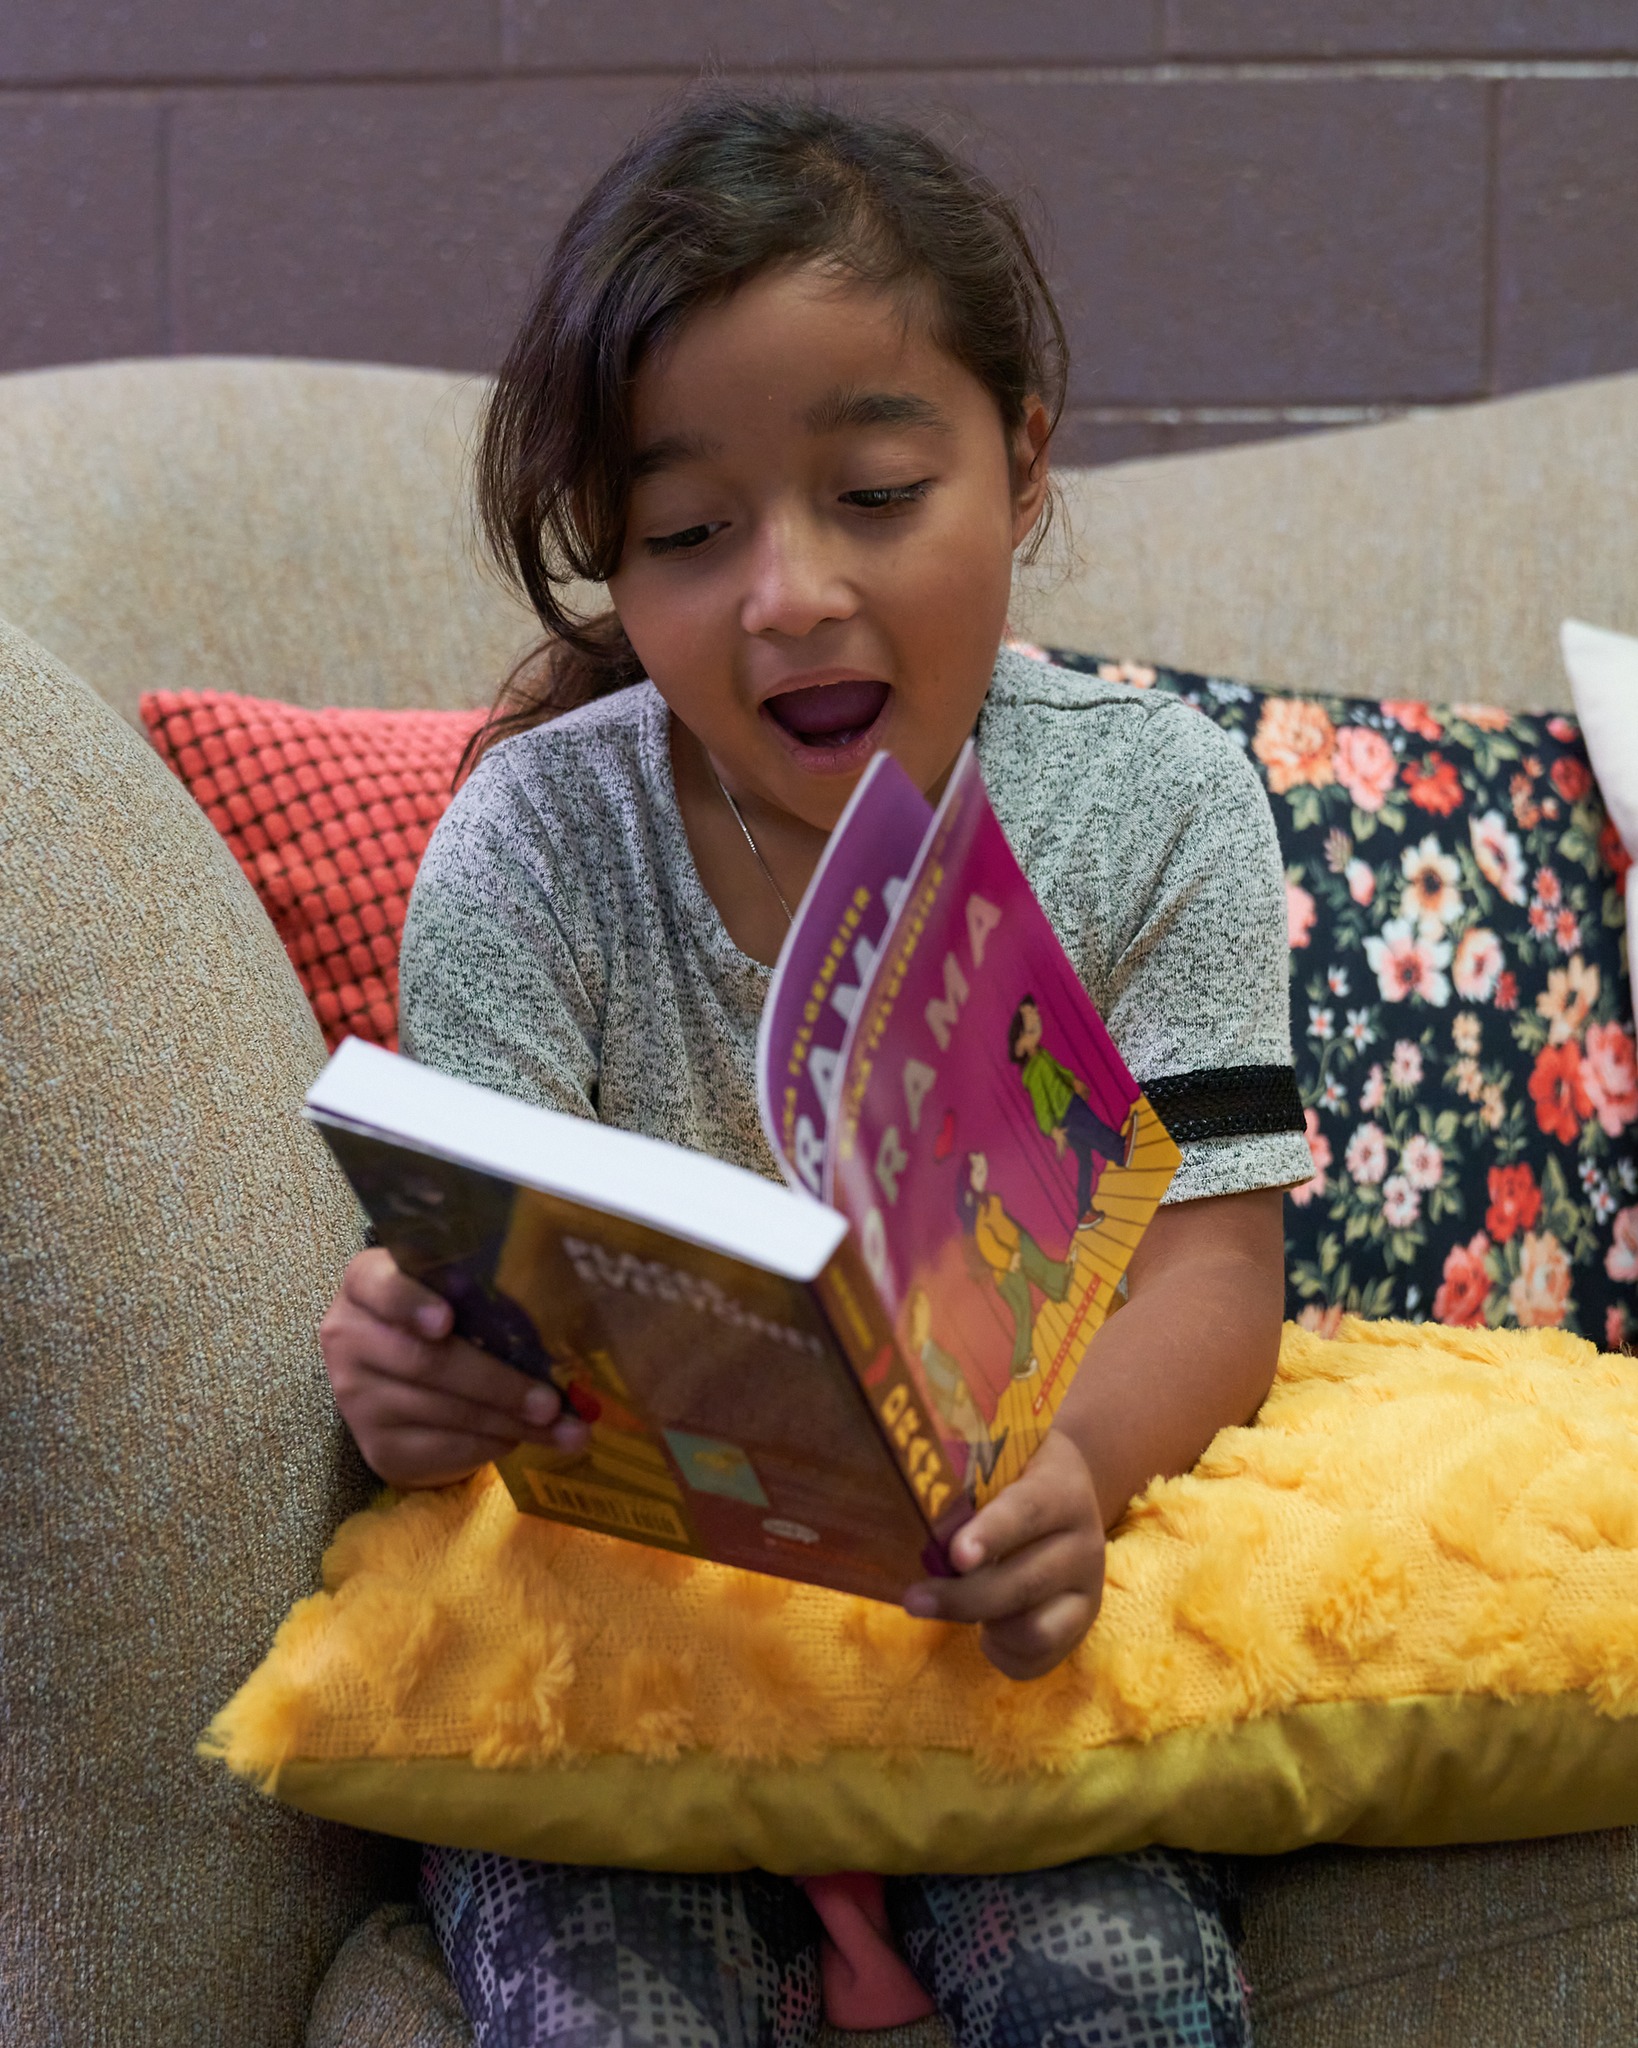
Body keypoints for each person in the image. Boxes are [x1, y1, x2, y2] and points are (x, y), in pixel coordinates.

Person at [316, 91, 1311, 2048]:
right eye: (690, 535)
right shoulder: (533, 837)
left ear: (1020, 463)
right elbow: (473, 1281)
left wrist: (1078, 1474)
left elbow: (1214, 1265)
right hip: (629, 1654)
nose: (787, 593)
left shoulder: (1159, 807)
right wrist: (407, 1379)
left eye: (872, 495)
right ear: (614, 553)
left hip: (994, 1617)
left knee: (1121, 1998)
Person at [1008, 992, 1138, 1228]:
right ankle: (1120, 1151)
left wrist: (1075, 1083)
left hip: (1071, 1101)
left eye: (1035, 1018)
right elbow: (1042, 1108)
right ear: (1020, 1043)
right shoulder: (1033, 1072)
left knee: (1085, 1162)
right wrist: (1053, 1130)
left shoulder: (1043, 1055)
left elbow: (1061, 1072)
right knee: (1095, 1130)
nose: (1035, 1024)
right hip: (1066, 1113)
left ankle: (1084, 1212)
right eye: (1029, 1026)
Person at [957, 1148, 1072, 1380]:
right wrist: (1009, 1259)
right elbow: (987, 1244)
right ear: (968, 1181)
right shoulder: (976, 1213)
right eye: (977, 1171)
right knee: (1022, 1309)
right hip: (1006, 1269)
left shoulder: (989, 1201)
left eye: (982, 1168)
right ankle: (1020, 1361)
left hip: (1019, 1244)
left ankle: (1061, 1283)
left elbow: (1003, 1224)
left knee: (1040, 1266)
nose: (983, 1173)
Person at [904, 1283, 1007, 1488]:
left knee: (977, 1428)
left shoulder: (931, 1346)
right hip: (953, 1404)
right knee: (973, 1433)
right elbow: (940, 1376)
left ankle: (988, 1459)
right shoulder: (928, 1354)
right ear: (916, 1321)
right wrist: (957, 1385)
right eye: (923, 1309)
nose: (928, 1313)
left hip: (956, 1398)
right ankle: (970, 1482)